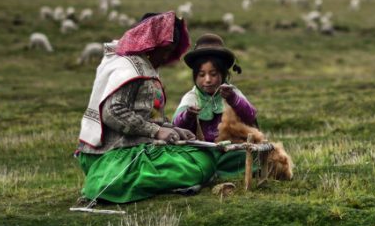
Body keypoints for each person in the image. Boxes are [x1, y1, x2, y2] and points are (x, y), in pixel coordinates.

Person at [75, 11, 216, 204]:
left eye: (171, 50)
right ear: (151, 43)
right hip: (114, 152)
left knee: (203, 158)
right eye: (165, 49)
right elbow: (112, 112)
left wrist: (172, 129)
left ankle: (152, 182)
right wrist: (156, 131)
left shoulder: (145, 67)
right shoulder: (128, 69)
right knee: (196, 164)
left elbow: (149, 113)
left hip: (137, 146)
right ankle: (108, 181)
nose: (167, 55)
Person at [172, 33, 257, 178]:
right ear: (195, 76)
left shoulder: (232, 93)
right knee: (187, 158)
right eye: (201, 75)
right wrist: (189, 116)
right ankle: (215, 172)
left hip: (230, 152)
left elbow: (250, 117)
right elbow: (176, 127)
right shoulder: (190, 98)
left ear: (222, 74)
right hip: (201, 153)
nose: (208, 80)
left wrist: (233, 99)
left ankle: (210, 173)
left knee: (249, 156)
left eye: (213, 74)